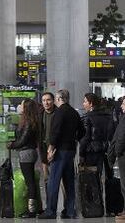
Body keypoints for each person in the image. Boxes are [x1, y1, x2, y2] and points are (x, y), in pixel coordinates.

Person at [38, 89, 85, 220]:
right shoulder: (74, 113)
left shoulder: (60, 112)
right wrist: (73, 139)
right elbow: (82, 131)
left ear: (58, 99)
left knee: (53, 181)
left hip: (59, 151)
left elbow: (55, 132)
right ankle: (70, 211)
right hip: (71, 151)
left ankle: (50, 211)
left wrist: (50, 149)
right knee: (69, 181)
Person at [8, 98, 40, 218]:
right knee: (30, 180)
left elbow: (23, 140)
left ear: (26, 108)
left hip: (27, 153)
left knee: (29, 181)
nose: (19, 106)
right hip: (28, 152)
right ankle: (33, 207)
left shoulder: (28, 123)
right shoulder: (27, 121)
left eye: (21, 104)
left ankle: (31, 210)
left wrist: (12, 145)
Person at [79, 93, 114, 174]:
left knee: (90, 178)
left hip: (91, 152)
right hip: (105, 150)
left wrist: (81, 154)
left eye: (85, 102)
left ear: (91, 103)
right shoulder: (108, 116)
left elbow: (86, 137)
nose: (83, 104)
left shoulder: (87, 117)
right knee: (105, 175)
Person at [38, 92, 56, 194]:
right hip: (43, 148)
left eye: (48, 100)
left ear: (53, 101)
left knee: (58, 177)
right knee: (46, 177)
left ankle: (66, 207)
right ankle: (49, 202)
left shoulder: (58, 113)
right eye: (44, 100)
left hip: (55, 149)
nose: (46, 102)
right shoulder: (40, 114)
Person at [111, 98, 125, 220]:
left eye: (124, 104)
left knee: (124, 183)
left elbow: (121, 137)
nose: (121, 106)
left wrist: (117, 151)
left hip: (123, 155)